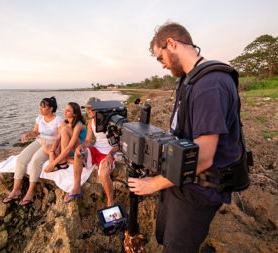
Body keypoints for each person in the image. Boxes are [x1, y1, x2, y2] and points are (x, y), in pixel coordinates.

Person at [128, 22, 240, 252]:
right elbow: (181, 136)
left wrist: (153, 184)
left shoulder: (210, 83)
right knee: (167, 237)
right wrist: (159, 166)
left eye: (161, 58)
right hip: (180, 181)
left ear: (172, 43)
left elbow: (204, 158)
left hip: (199, 190)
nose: (162, 65)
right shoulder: (189, 80)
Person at [3, 97, 63, 206]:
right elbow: (36, 132)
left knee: (36, 160)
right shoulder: (39, 118)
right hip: (39, 141)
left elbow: (61, 137)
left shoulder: (58, 120)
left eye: (43, 107)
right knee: (21, 158)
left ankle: (30, 192)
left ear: (51, 109)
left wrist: (54, 149)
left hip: (50, 144)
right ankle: (16, 189)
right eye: (40, 106)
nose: (40, 109)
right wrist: (27, 135)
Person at [64, 97, 118, 205]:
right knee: (78, 153)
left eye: (91, 109)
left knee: (103, 174)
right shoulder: (91, 122)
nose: (88, 111)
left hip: (108, 152)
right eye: (87, 109)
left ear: (99, 109)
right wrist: (80, 146)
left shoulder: (110, 123)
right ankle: (76, 187)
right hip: (96, 149)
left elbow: (118, 144)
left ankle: (110, 201)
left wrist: (110, 155)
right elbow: (88, 140)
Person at [43, 102, 87, 172]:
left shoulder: (78, 125)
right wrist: (51, 153)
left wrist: (52, 164)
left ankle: (63, 162)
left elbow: (70, 146)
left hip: (79, 148)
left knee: (65, 129)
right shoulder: (64, 122)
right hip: (67, 149)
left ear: (74, 114)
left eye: (68, 111)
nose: (65, 112)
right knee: (46, 148)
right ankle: (68, 159)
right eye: (65, 109)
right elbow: (57, 139)